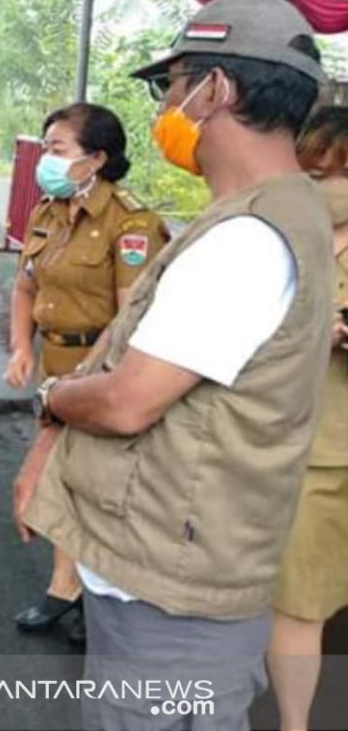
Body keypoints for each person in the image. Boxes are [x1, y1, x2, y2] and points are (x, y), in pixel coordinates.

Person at [13, 0, 329, 730]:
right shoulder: (275, 214)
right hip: (169, 568)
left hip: (171, 596)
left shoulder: (247, 241)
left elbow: (129, 401)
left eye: (174, 86)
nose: (169, 108)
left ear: (216, 90)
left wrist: (54, 397)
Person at [5, 103, 169, 644]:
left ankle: (102, 601)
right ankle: (63, 586)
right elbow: (26, 284)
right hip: (56, 363)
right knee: (58, 478)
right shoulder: (47, 212)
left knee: (98, 485)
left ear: (96, 158)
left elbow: (129, 321)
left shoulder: (131, 223)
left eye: (57, 149)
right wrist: (19, 348)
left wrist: (83, 380)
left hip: (105, 373)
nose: (44, 160)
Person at [267, 106, 348, 731]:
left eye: (328, 176)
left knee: (300, 606)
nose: (316, 190)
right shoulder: (286, 237)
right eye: (308, 174)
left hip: (329, 456)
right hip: (270, 441)